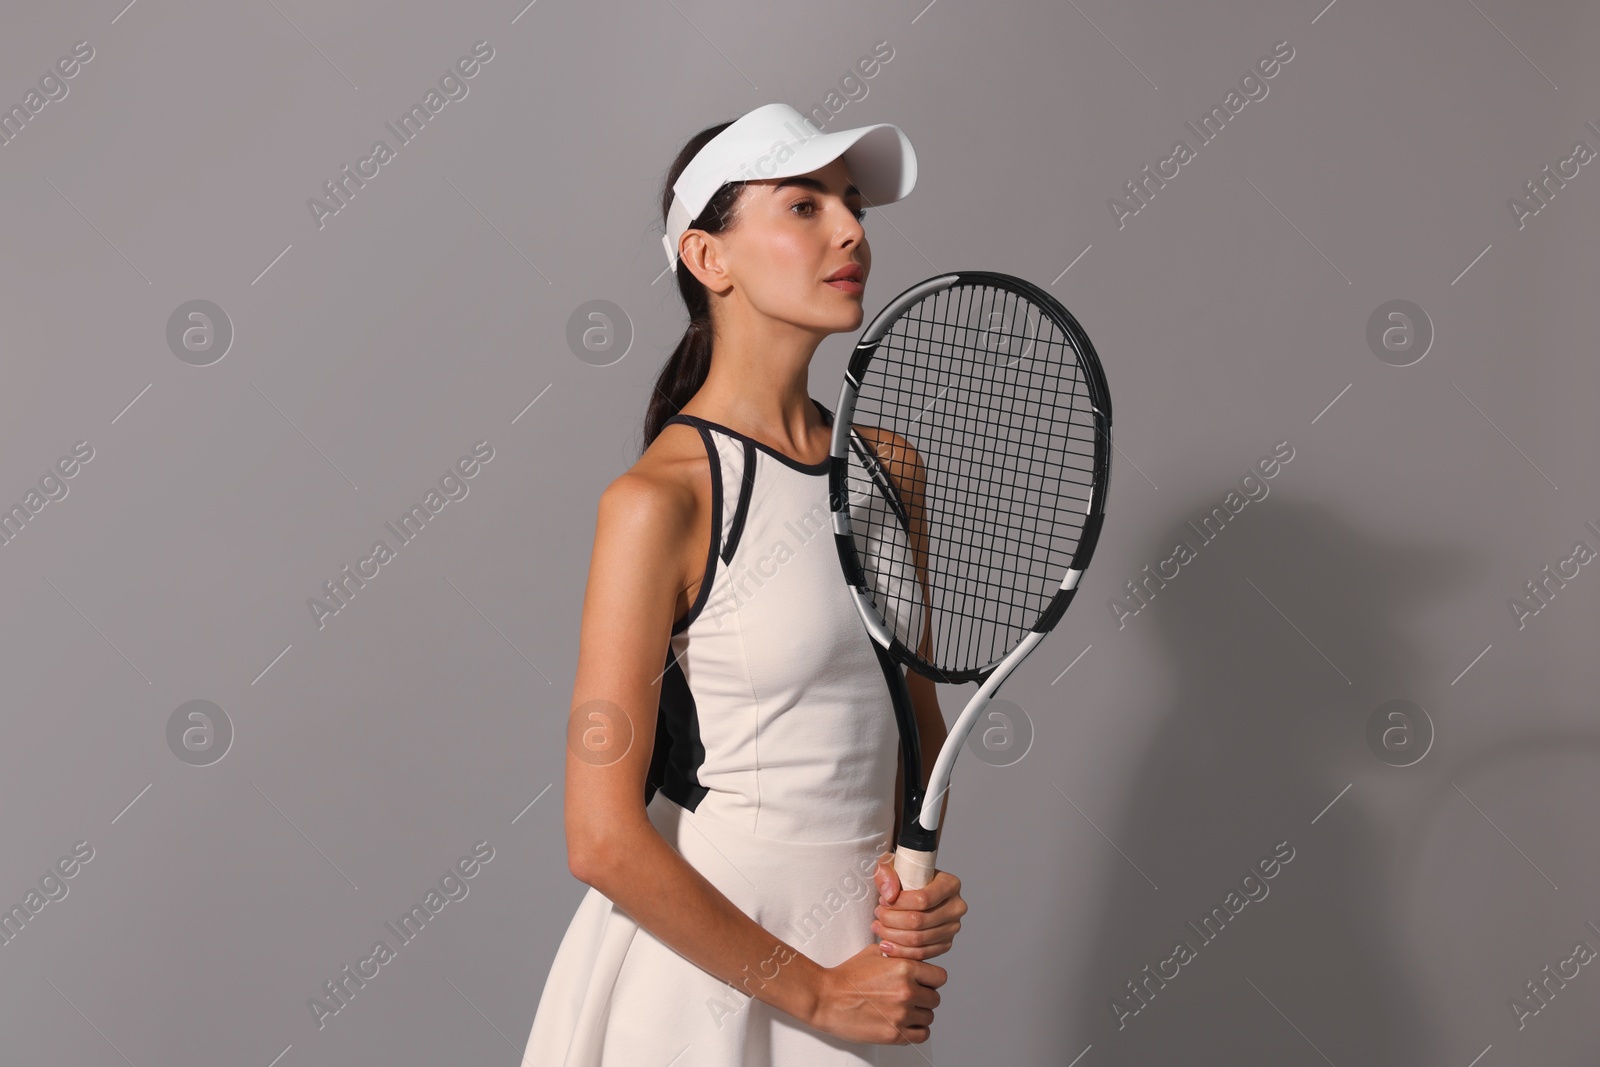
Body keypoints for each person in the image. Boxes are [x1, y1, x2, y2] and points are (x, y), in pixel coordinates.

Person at [523, 102, 967, 1066]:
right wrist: (817, 992)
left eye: (852, 204)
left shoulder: (891, 469)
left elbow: (914, 734)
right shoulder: (661, 499)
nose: (851, 229)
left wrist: (913, 884)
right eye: (803, 205)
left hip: (864, 973)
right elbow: (600, 837)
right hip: (708, 986)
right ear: (707, 257)